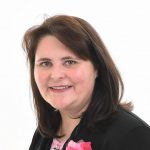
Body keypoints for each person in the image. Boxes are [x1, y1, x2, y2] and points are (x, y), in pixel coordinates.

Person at [22, 14, 150, 150]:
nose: (55, 75)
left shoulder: (132, 136)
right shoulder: (45, 134)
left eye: (69, 62)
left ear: (97, 68)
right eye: (45, 63)